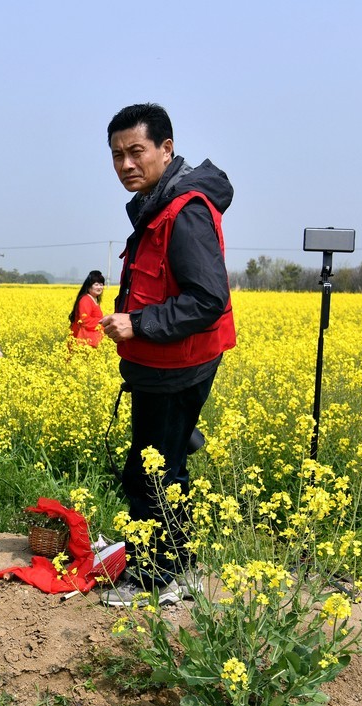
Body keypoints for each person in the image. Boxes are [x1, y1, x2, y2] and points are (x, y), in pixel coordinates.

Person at [97, 104, 236, 607]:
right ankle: (178, 565)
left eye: (137, 151)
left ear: (166, 149)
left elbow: (208, 299)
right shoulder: (158, 205)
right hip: (160, 362)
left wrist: (138, 323)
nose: (126, 164)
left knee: (151, 472)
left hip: (180, 363)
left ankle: (155, 577)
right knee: (162, 466)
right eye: (117, 156)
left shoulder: (185, 211)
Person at [69, 270, 107, 347]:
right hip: (84, 341)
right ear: (89, 286)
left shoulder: (93, 299)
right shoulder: (85, 300)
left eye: (101, 284)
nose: (99, 287)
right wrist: (103, 322)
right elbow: (85, 320)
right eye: (96, 284)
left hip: (90, 340)